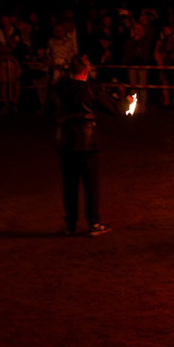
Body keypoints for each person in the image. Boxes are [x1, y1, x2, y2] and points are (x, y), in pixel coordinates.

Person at [48, 52, 126, 236]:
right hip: (87, 140)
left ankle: (71, 224)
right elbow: (112, 109)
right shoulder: (92, 89)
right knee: (90, 184)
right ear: (86, 71)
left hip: (66, 140)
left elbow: (52, 108)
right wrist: (127, 101)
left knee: (69, 184)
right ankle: (94, 223)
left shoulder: (60, 88)